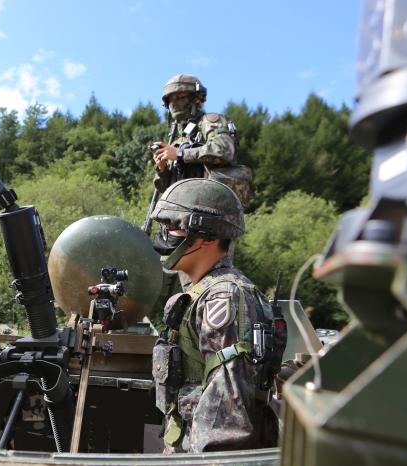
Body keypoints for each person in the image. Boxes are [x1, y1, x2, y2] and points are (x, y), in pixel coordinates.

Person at [150, 178, 283, 453]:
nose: (164, 234)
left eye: (174, 226)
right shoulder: (197, 295)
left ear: (208, 237)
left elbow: (226, 423)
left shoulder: (226, 298)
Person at [150, 74, 252, 206]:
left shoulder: (210, 121)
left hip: (211, 209)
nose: (173, 103)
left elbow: (224, 150)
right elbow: (166, 189)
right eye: (170, 99)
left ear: (196, 99)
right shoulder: (179, 140)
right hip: (182, 210)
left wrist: (180, 154)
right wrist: (162, 168)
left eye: (179, 97)